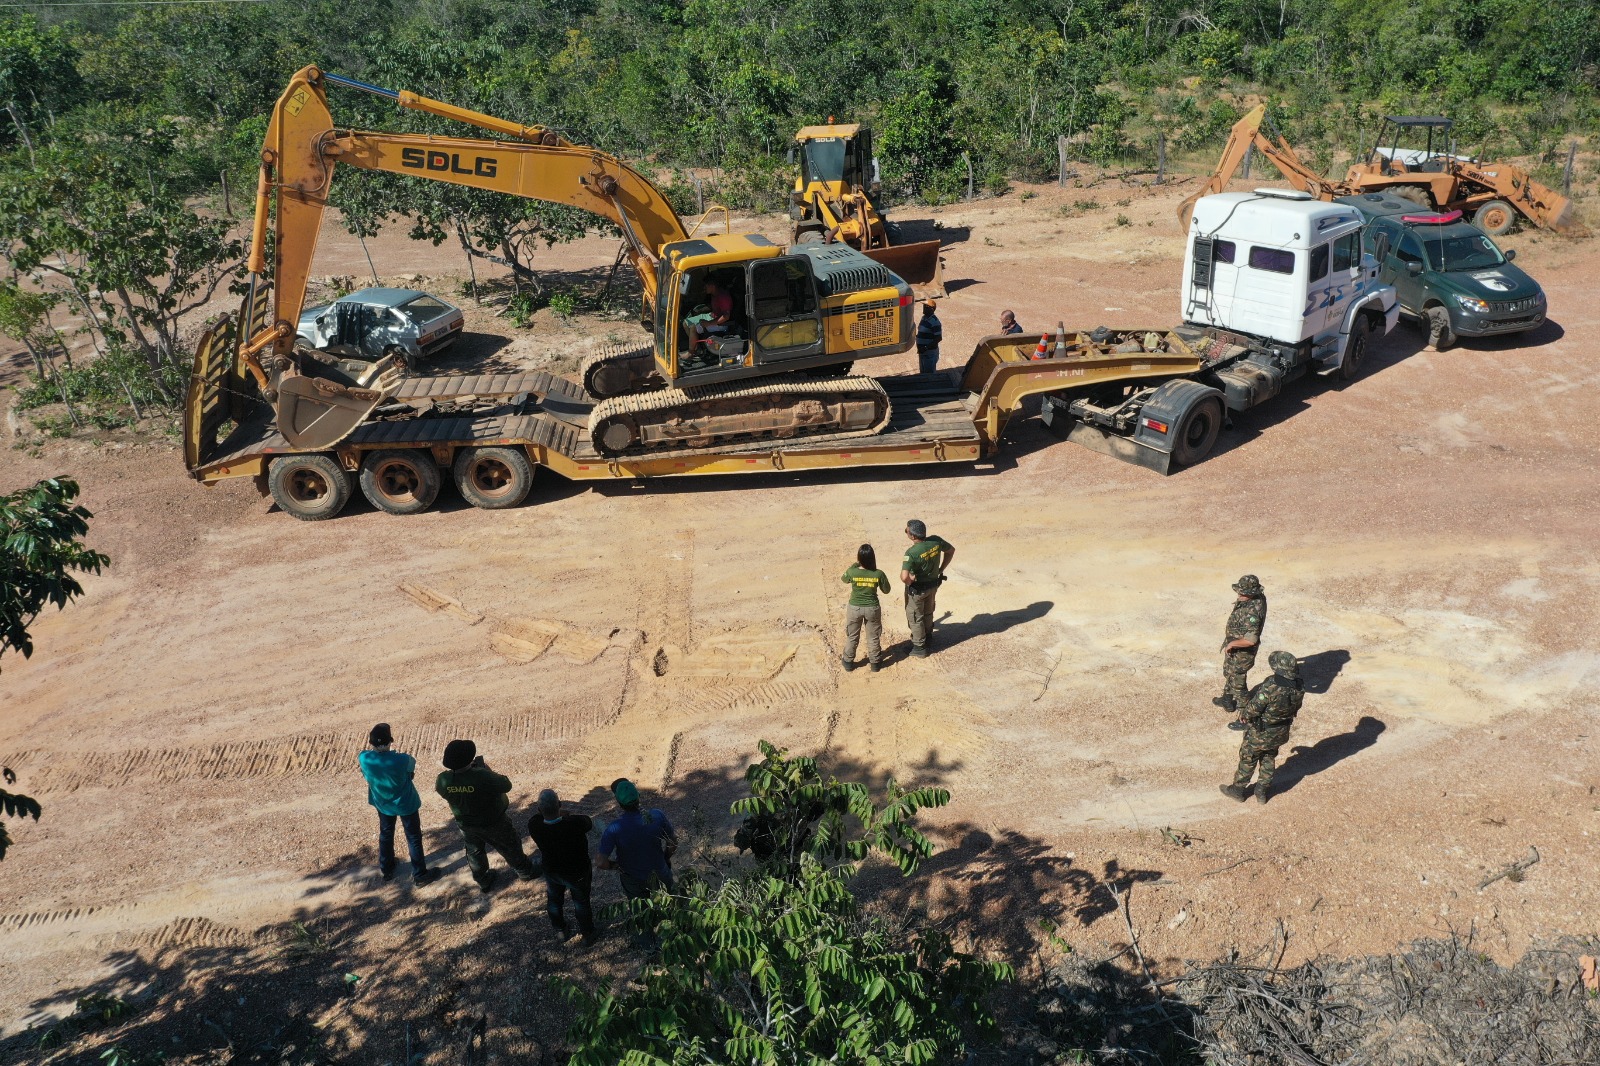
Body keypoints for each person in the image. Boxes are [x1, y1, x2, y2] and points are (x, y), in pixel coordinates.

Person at [435, 739, 539, 893]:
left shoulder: (443, 780)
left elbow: (444, 791)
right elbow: (506, 785)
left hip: (465, 823)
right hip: (493, 821)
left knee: (474, 851)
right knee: (509, 845)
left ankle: (483, 880)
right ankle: (525, 872)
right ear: (469, 759)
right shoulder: (482, 776)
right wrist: (486, 771)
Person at [357, 723, 439, 886]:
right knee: (413, 837)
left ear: (371, 743)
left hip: (383, 803)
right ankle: (419, 874)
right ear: (390, 742)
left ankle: (387, 869)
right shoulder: (403, 759)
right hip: (406, 803)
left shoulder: (364, 758)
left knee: (386, 834)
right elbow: (411, 770)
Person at [1221, 651, 1305, 804]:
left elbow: (1253, 708)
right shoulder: (1300, 686)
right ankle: (1261, 791)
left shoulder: (1271, 686)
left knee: (1249, 757)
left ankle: (1238, 790)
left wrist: (1244, 716)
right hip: (1280, 731)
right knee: (1269, 757)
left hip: (1260, 731)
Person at [527, 789, 597, 945]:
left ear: (539, 810)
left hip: (553, 872)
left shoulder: (534, 825)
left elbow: (539, 817)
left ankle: (560, 930)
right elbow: (588, 821)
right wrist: (565, 814)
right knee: (581, 902)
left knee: (554, 901)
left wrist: (556, 813)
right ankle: (587, 933)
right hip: (577, 872)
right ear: (559, 804)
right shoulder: (575, 824)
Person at [597, 778, 677, 901]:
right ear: (638, 796)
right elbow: (672, 842)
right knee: (670, 905)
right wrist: (665, 858)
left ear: (619, 802)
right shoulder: (657, 815)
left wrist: (616, 866)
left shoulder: (614, 828)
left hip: (633, 879)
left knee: (642, 913)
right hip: (660, 870)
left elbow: (601, 862)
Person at [1215, 574, 1267, 724]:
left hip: (1242, 652)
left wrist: (1232, 644)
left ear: (1251, 594)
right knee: (1228, 672)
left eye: (1243, 593)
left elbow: (1251, 640)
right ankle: (1227, 699)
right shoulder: (1256, 597)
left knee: (1239, 684)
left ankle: (1246, 718)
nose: (1239, 595)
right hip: (1235, 647)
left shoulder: (1253, 613)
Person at [900, 519, 954, 657]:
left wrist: (909, 581)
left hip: (917, 590)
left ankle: (919, 647)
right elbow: (951, 550)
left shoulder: (911, 553)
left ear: (912, 536)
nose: (906, 532)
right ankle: (928, 636)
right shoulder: (936, 541)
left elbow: (904, 576)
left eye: (906, 531)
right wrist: (941, 569)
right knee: (928, 611)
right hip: (933, 586)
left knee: (915, 617)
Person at [841, 543, 890, 672]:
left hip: (854, 608)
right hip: (872, 608)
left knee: (852, 636)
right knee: (873, 637)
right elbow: (887, 590)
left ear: (859, 558)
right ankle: (875, 664)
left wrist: (854, 565)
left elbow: (844, 579)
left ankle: (848, 662)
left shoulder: (852, 571)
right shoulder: (878, 574)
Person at [916, 299, 943, 373]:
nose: (924, 308)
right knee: (923, 373)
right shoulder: (923, 318)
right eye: (924, 306)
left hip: (929, 353)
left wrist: (925, 348)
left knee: (929, 374)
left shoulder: (935, 322)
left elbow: (938, 338)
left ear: (932, 309)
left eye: (926, 306)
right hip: (922, 352)